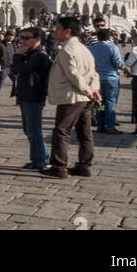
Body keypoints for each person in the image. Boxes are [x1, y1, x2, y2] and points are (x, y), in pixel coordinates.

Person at [43, 16, 102, 179]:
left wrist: (88, 91)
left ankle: (59, 166)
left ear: (67, 31)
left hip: (72, 97)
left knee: (61, 131)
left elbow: (73, 75)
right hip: (85, 97)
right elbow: (94, 73)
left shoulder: (67, 50)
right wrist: (94, 89)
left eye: (58, 28)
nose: (55, 31)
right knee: (85, 132)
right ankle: (84, 165)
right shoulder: (84, 49)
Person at [10, 27, 51, 171]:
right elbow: (15, 69)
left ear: (37, 39)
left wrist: (18, 55)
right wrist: (19, 57)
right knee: (29, 130)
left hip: (33, 96)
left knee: (34, 130)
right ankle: (43, 157)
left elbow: (23, 69)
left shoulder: (40, 55)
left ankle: (39, 161)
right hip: (25, 95)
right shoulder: (30, 54)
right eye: (20, 37)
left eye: (26, 38)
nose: (22, 41)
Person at [88, 27, 124, 134]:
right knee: (110, 102)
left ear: (98, 37)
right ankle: (110, 126)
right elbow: (118, 63)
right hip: (110, 77)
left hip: (97, 79)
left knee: (98, 102)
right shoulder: (113, 48)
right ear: (109, 37)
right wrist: (125, 69)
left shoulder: (92, 48)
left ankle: (100, 125)